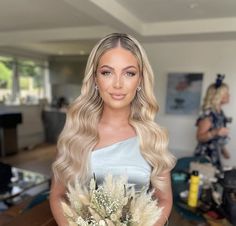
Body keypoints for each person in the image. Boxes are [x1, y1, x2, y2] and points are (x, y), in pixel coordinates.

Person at [49, 33, 176, 226]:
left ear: (140, 80)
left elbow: (164, 200)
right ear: (95, 79)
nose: (118, 84)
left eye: (129, 73)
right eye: (107, 72)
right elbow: (57, 196)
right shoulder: (75, 134)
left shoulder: (153, 137)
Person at [194, 74, 231, 169]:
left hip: (215, 155)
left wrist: (223, 150)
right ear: (218, 96)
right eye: (226, 93)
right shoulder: (209, 113)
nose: (229, 95)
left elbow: (217, 138)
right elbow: (200, 137)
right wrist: (216, 131)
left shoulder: (220, 113)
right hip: (205, 157)